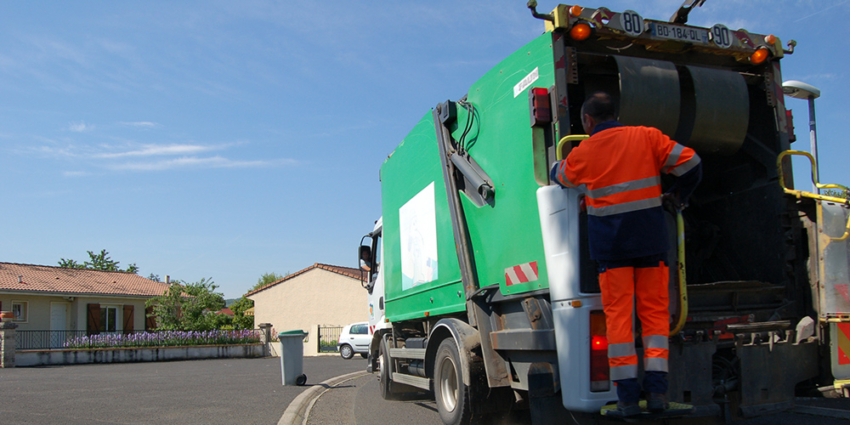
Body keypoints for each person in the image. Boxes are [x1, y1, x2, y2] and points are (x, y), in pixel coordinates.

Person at [550, 92, 702, 416]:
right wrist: (677, 196)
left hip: (613, 251)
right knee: (655, 318)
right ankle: (658, 396)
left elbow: (561, 176)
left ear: (588, 121)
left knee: (619, 323)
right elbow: (691, 164)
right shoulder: (647, 137)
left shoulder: (585, 151)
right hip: (651, 246)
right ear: (615, 114)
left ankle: (628, 401)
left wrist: (554, 167)